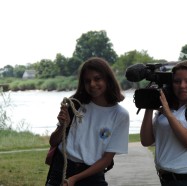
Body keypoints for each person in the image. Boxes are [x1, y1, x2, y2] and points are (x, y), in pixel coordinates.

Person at [45, 57, 130, 186]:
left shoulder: (120, 115)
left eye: (97, 79)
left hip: (91, 174)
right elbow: (53, 141)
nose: (92, 84)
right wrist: (63, 126)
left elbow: (107, 159)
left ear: (108, 79)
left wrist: (75, 179)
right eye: (87, 81)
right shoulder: (75, 104)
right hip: (61, 169)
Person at [140, 60, 187, 186]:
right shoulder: (167, 108)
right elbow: (146, 141)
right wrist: (149, 105)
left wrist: (169, 115)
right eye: (177, 81)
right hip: (167, 179)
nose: (182, 85)